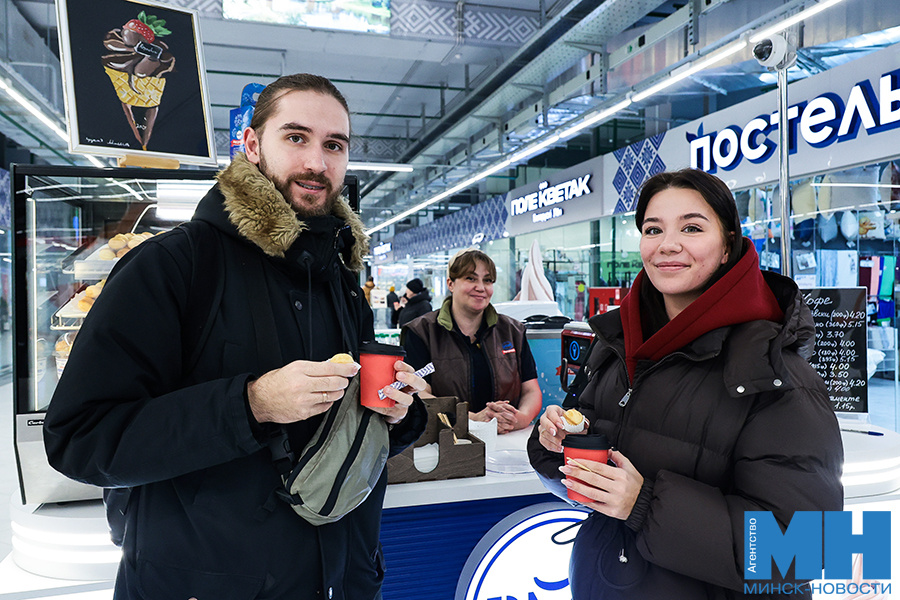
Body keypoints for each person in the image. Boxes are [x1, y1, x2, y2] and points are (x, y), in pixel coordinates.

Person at [43, 73, 428, 600]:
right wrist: (250, 404)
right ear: (251, 145)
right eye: (296, 137)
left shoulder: (337, 277)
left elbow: (354, 429)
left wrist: (399, 412)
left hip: (341, 578)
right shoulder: (174, 266)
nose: (316, 162)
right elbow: (80, 438)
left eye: (333, 145)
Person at [528, 169, 843, 599]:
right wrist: (557, 441)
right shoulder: (617, 345)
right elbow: (585, 469)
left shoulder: (773, 374)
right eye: (653, 229)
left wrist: (643, 504)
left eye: (691, 227)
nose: (667, 244)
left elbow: (801, 550)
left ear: (728, 243)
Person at [402, 249, 542, 433]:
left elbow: (531, 391)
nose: (481, 287)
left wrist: (517, 419)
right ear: (451, 284)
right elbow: (419, 394)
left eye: (488, 280)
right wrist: (472, 419)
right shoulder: (421, 332)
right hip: (446, 441)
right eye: (471, 278)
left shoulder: (512, 331)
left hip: (507, 442)